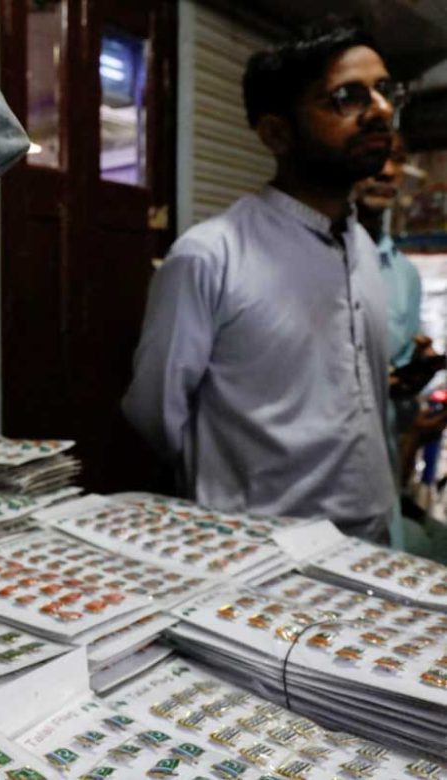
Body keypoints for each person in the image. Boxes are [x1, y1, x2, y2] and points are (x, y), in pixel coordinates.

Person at [122, 19, 402, 541]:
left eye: (384, 91)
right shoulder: (212, 255)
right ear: (276, 132)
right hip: (256, 549)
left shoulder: (360, 245)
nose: (381, 111)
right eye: (347, 97)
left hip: (369, 537)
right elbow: (155, 415)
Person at [355, 135, 447, 495]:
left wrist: (421, 368)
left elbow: (402, 374)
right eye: (372, 157)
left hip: (381, 471)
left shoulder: (404, 275)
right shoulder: (303, 259)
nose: (386, 171)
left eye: (395, 159)